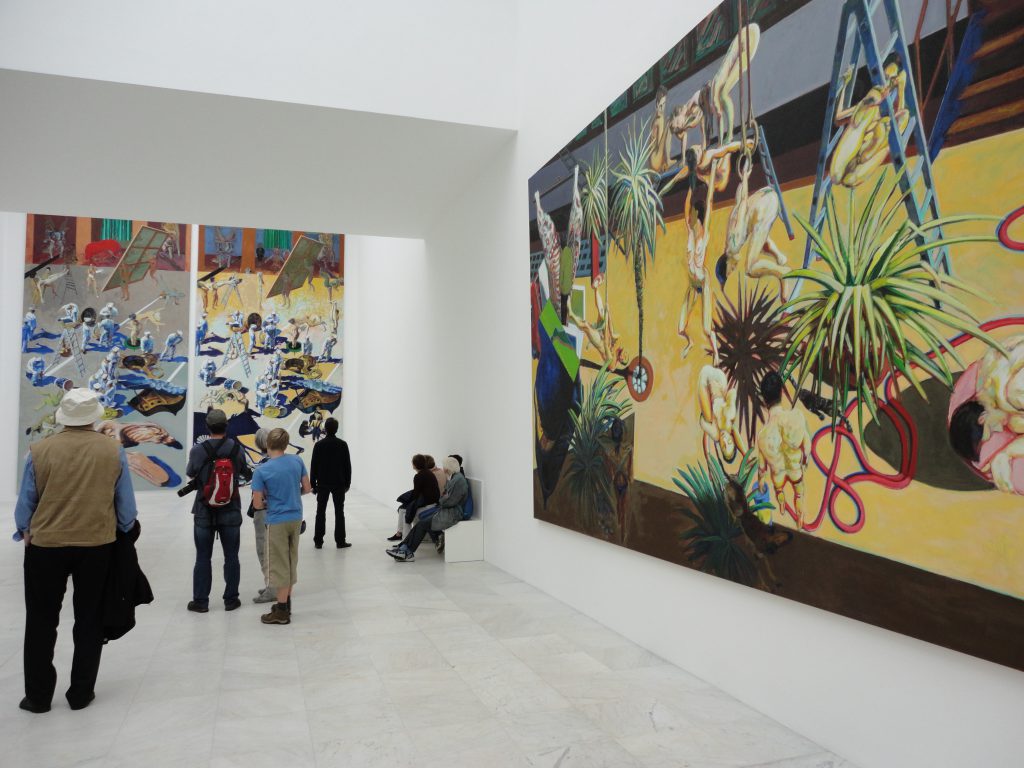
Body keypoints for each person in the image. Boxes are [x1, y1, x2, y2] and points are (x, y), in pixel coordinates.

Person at [13, 388, 139, 713]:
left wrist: (25, 530)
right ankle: (81, 693)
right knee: (89, 619)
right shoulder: (113, 450)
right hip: (96, 545)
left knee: (41, 620)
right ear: (93, 417)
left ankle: (38, 696)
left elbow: (26, 502)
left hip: (46, 546)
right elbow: (126, 508)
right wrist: (123, 530)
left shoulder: (40, 450)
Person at [185, 409, 249, 613]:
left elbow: (190, 472)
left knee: (203, 557)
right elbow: (244, 472)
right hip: (231, 509)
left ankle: (201, 601)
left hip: (204, 509)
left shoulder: (197, 450)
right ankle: (231, 600)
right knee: (232, 556)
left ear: (207, 427)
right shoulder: (236, 449)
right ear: (226, 426)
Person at [251, 428, 312, 625]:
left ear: (267, 444)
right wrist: (291, 495)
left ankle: (282, 611)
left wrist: (270, 501)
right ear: (286, 444)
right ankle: (285, 604)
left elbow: (257, 504)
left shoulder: (261, 471)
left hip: (276, 521)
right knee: (291, 561)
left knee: (278, 566)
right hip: (295, 518)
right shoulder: (297, 461)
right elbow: (307, 488)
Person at [830, 56, 909, 188]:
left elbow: (900, 114)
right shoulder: (874, 97)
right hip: (857, 140)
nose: (886, 83)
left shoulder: (891, 104)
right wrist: (845, 84)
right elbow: (838, 118)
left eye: (891, 80)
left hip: (871, 149)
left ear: (896, 81)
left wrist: (901, 87)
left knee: (902, 117)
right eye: (885, 77)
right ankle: (870, 148)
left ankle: (871, 149)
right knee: (837, 177)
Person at [755, 371, 812, 531]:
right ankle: (799, 519)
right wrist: (805, 459)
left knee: (778, 489)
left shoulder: (762, 436)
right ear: (781, 391)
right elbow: (807, 444)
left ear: (764, 399)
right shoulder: (797, 417)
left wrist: (761, 481)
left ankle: (781, 504)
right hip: (795, 471)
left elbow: (761, 468)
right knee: (799, 494)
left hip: (777, 476)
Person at [387, 457, 467, 562]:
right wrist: (443, 499)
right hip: (446, 510)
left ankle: (407, 552)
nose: (443, 469)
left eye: (444, 467)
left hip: (453, 514)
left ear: (448, 468)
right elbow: (445, 496)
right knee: (421, 523)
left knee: (422, 524)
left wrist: (442, 500)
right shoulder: (454, 478)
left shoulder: (458, 480)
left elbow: (450, 501)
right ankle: (404, 547)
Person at [309, 418, 352, 549]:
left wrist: (313, 484)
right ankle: (340, 541)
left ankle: (318, 541)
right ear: (336, 429)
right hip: (339, 483)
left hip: (323, 483)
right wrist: (348, 483)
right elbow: (347, 466)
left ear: (325, 429)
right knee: (339, 512)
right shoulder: (342, 444)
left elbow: (313, 466)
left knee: (320, 512)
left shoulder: (319, 445)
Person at [248, 429, 276, 603]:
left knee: (264, 550)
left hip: (264, 512)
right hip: (282, 511)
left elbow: (258, 497)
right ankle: (277, 586)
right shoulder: (285, 462)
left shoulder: (262, 466)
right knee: (278, 550)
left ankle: (272, 588)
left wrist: (258, 505)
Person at [387, 454, 441, 542]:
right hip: (433, 503)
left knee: (405, 513)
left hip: (429, 505)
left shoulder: (419, 476)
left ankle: (405, 541)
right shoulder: (429, 473)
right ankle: (400, 534)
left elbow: (416, 495)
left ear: (415, 465)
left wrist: (407, 502)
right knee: (402, 509)